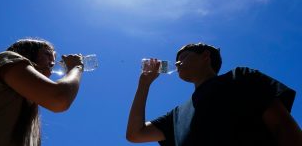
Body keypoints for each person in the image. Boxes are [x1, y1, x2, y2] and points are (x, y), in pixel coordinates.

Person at [126, 43, 302, 146]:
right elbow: (135, 134)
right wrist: (144, 84)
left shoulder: (240, 77)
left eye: (184, 57)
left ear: (205, 56)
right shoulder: (176, 115)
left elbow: (283, 126)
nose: (177, 63)